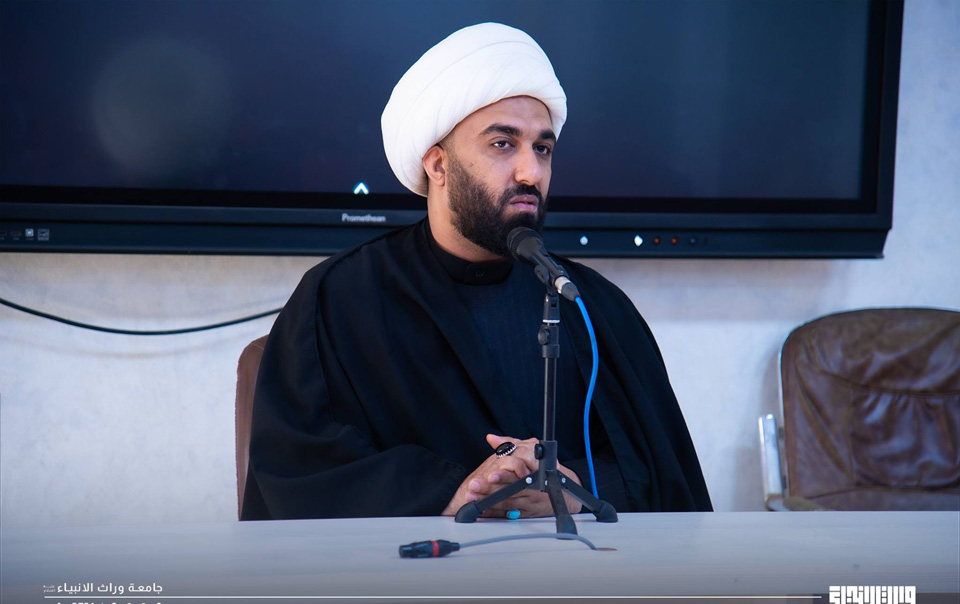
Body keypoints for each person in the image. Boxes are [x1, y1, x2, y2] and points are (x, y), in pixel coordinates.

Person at [241, 23, 711, 521]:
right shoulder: (340, 298)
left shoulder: (590, 305)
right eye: (503, 144)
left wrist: (575, 490)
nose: (531, 172)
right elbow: (302, 473)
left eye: (543, 148)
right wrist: (458, 491)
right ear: (438, 166)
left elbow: (667, 477)